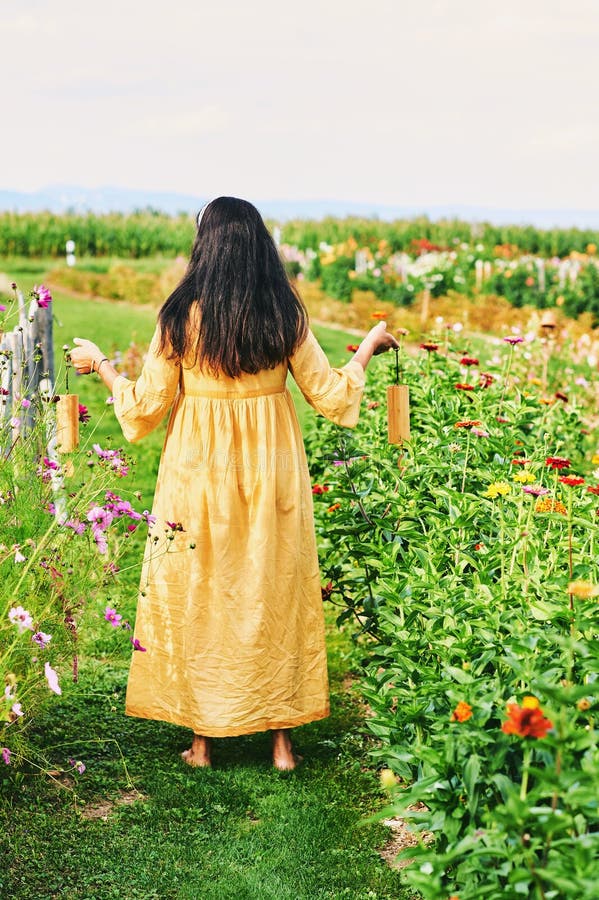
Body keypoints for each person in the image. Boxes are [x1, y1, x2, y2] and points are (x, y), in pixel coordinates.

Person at [69, 197, 398, 770]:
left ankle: (202, 742)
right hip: (273, 470)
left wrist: (101, 365)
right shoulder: (283, 315)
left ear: (207, 246)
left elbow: (145, 406)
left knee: (202, 588)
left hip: (197, 471)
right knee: (274, 589)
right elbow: (331, 394)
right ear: (258, 246)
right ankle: (282, 744)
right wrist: (368, 346)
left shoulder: (180, 317)